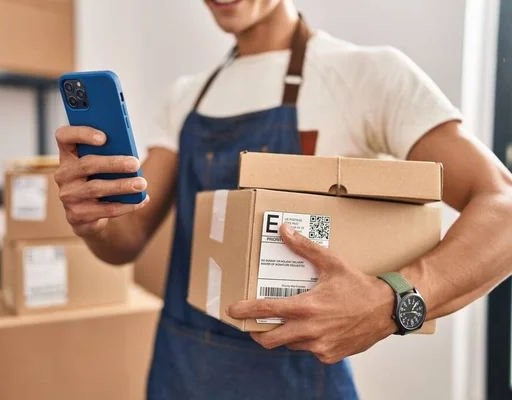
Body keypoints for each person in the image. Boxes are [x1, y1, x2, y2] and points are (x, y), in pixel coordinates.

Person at [53, 0, 512, 398]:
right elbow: (126, 237)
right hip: (184, 371)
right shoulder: (187, 98)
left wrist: (394, 302)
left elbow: (503, 208)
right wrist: (93, 220)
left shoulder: (367, 75)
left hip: (299, 382)